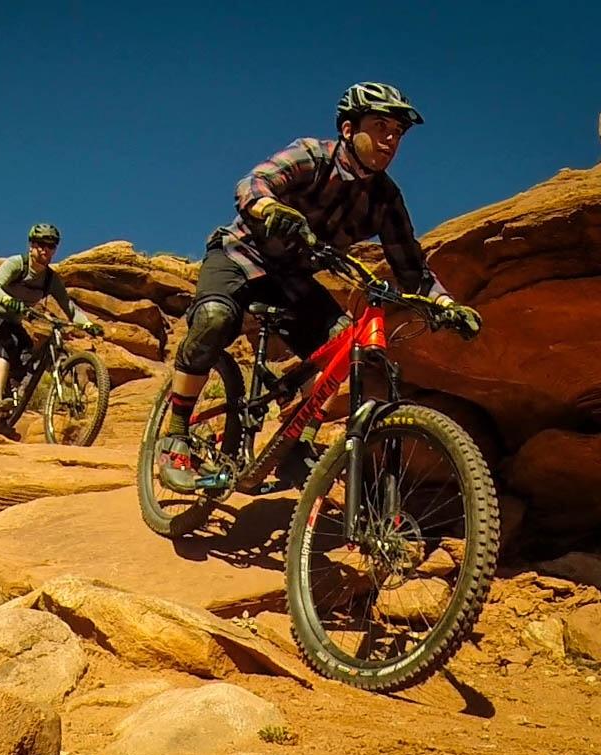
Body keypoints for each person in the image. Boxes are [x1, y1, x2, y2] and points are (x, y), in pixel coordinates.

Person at [158, 82, 482, 493]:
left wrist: (446, 304)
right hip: (243, 257)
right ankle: (176, 433)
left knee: (345, 345)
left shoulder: (385, 199)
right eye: (380, 126)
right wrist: (269, 207)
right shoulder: (312, 155)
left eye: (397, 132)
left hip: (292, 279)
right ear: (348, 129)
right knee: (213, 319)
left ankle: (295, 443)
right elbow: (254, 183)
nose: (390, 139)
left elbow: (411, 266)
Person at [0, 223, 103, 422]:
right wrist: (9, 301)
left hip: (13, 321)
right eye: (41, 244)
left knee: (27, 358)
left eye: (51, 246)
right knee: (6, 347)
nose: (45, 249)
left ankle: (6, 409)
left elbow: (68, 306)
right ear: (31, 245)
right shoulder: (17, 264)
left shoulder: (50, 279)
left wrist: (86, 324)